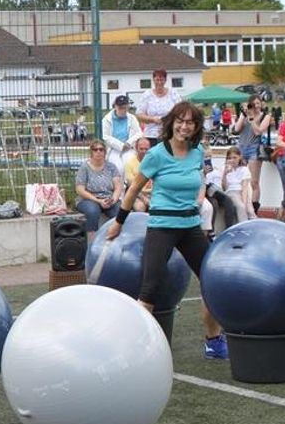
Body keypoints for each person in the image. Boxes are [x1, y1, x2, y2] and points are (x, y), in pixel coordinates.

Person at [107, 101, 228, 360]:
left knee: (211, 282)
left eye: (190, 122)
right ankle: (134, 351)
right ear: (171, 123)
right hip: (162, 227)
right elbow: (134, 189)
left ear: (196, 127)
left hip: (190, 227)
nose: (185, 126)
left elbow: (199, 181)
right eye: (180, 121)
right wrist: (119, 221)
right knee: (149, 290)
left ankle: (213, 341)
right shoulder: (157, 154)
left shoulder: (196, 154)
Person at [231, 95, 272, 215]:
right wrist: (243, 115)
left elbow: (258, 131)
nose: (256, 106)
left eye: (258, 103)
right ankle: (240, 206)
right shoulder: (245, 115)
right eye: (253, 104)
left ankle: (254, 208)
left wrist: (252, 119)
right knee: (238, 179)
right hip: (242, 147)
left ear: (261, 104)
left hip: (255, 148)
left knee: (254, 181)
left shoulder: (265, 116)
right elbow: (237, 129)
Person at [74, 140, 123, 233]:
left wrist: (113, 200)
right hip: (88, 199)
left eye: (101, 149)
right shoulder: (84, 167)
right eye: (95, 149)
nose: (98, 152)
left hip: (108, 199)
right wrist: (98, 201)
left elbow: (118, 187)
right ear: (91, 152)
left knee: (120, 212)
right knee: (93, 211)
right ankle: (92, 240)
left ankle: (117, 239)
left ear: (105, 152)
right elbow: (80, 190)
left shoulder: (111, 167)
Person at [135, 69, 181, 147]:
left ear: (165, 80)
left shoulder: (173, 93)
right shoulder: (147, 95)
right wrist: (152, 119)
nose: (159, 82)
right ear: (153, 80)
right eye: (157, 80)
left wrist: (169, 119)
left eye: (162, 80)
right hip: (151, 135)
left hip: (170, 133)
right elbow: (139, 114)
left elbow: (180, 110)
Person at [207, 146, 253, 222]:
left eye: (235, 158)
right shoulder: (224, 168)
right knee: (240, 207)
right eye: (229, 158)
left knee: (249, 210)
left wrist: (244, 202)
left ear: (240, 157)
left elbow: (244, 188)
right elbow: (225, 188)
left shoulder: (244, 169)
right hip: (231, 192)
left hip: (242, 192)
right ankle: (243, 227)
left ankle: (251, 225)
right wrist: (225, 174)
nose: (232, 160)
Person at [101, 95, 143, 172]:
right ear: (115, 106)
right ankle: (119, 184)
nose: (122, 110)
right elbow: (105, 136)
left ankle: (129, 184)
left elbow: (139, 133)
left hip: (128, 148)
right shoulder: (106, 119)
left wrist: (128, 143)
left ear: (128, 107)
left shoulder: (132, 118)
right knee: (118, 167)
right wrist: (120, 146)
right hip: (113, 149)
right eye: (120, 108)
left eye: (125, 108)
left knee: (129, 165)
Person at [124, 137, 152, 212]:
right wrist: (144, 198)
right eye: (141, 149)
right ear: (136, 149)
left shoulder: (154, 162)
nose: (144, 151)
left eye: (146, 149)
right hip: (137, 194)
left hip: (153, 193)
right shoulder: (129, 163)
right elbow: (132, 187)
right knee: (140, 208)